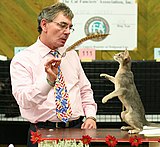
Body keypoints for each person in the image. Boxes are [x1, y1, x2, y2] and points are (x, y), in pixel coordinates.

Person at [10, 2, 97, 147]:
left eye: (70, 27)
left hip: (77, 131)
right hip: (43, 133)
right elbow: (24, 101)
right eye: (62, 25)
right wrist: (48, 81)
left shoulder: (71, 55)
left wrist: (91, 116)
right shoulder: (23, 60)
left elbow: (84, 89)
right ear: (44, 25)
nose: (67, 31)